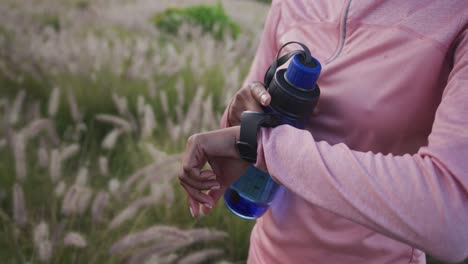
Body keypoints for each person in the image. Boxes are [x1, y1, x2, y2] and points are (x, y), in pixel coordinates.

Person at [178, 1, 468, 263]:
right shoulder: (290, 4)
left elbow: (452, 219)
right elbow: (244, 127)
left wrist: (266, 144)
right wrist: (238, 116)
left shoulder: (454, 14)